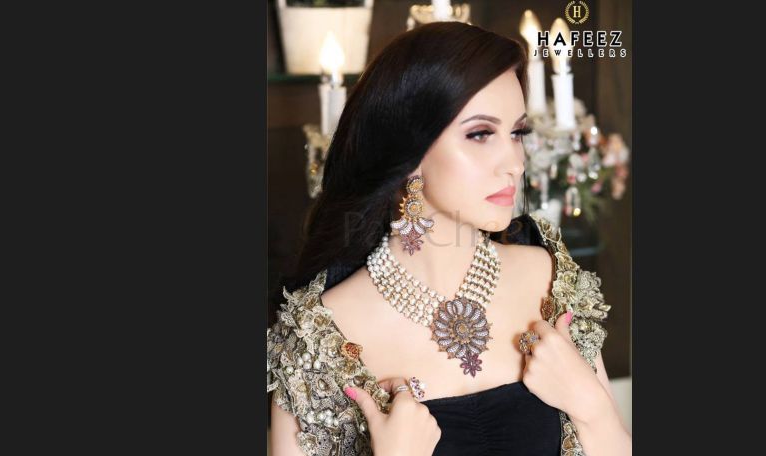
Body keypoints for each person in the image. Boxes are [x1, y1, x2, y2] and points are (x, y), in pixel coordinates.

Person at [267, 22, 631, 456]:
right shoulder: (318, 337)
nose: (515, 162)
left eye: (517, 133)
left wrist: (592, 408)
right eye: (480, 134)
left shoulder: (550, 278)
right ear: (409, 153)